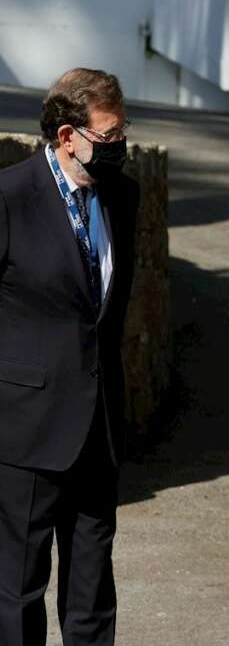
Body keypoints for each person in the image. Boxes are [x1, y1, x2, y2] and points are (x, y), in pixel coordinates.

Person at [0, 68, 138, 646]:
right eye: (108, 136)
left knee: (91, 592)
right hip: (25, 430)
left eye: (123, 133)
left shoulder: (123, 195)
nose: (119, 148)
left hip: (98, 427)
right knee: (17, 590)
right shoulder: (9, 198)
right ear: (66, 136)